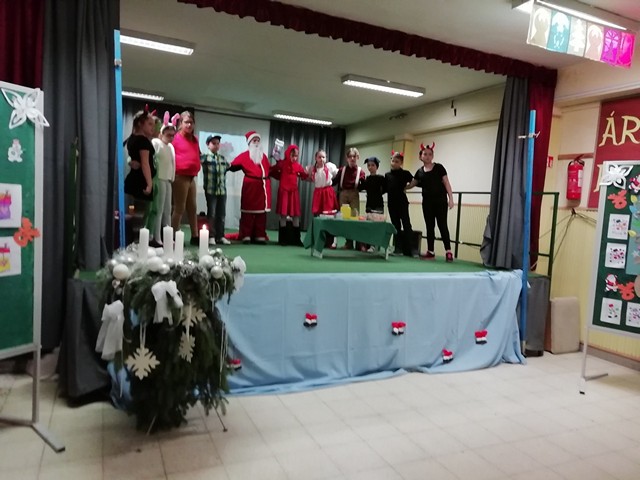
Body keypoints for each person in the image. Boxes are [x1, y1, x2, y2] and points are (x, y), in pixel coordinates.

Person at [408, 142, 455, 262]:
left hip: (440, 201)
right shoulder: (419, 172)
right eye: (425, 154)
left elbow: (446, 182)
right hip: (427, 203)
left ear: (432, 156)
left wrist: (451, 198)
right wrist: (402, 188)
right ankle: (431, 251)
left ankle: (448, 251)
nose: (427, 156)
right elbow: (412, 184)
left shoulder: (439, 167)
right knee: (430, 226)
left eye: (430, 154)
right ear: (421, 156)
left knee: (442, 225)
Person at [228, 131, 272, 244]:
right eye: (254, 140)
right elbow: (232, 165)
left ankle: (259, 235)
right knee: (247, 212)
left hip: (262, 189)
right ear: (249, 143)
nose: (256, 143)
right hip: (250, 188)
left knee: (261, 214)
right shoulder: (244, 156)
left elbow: (269, 170)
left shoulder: (263, 157)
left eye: (258, 140)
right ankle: (246, 235)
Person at [124, 109, 156, 240]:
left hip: (131, 185)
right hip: (140, 186)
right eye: (149, 124)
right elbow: (145, 163)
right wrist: (149, 184)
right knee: (139, 217)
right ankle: (136, 243)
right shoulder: (143, 141)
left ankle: (130, 240)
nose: (152, 127)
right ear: (140, 124)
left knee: (131, 214)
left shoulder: (132, 139)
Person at [270, 144, 309, 246]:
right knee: (283, 215)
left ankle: (297, 239)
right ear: (288, 154)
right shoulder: (282, 164)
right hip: (284, 192)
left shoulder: (297, 165)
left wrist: (306, 172)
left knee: (295, 215)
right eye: (292, 155)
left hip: (293, 193)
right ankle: (282, 239)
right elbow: (272, 170)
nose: (294, 158)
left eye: (296, 156)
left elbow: (304, 175)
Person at [171, 111, 200, 246]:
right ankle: (173, 236)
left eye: (191, 122)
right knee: (179, 208)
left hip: (191, 177)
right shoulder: (175, 138)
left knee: (192, 207)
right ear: (180, 123)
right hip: (180, 176)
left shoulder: (195, 140)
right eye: (186, 122)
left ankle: (195, 235)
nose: (189, 125)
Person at [149, 112, 178, 247]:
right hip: (159, 178)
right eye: (168, 134)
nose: (171, 137)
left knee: (167, 209)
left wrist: (172, 177)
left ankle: (167, 237)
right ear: (162, 133)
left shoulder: (171, 147)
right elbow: (152, 159)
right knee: (159, 209)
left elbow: (173, 163)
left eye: (173, 135)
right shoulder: (156, 143)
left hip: (167, 179)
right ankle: (156, 236)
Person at [385, 151, 417, 257]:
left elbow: (415, 181)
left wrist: (407, 187)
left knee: (406, 224)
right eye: (393, 161)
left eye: (397, 161)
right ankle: (397, 248)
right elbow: (385, 188)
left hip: (402, 202)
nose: (394, 163)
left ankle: (411, 249)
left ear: (401, 163)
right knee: (396, 225)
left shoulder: (405, 173)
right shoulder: (387, 175)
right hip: (391, 203)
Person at [201, 135, 231, 245]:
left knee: (221, 214)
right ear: (208, 145)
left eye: (218, 143)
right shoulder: (204, 158)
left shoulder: (222, 158)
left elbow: (228, 167)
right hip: (211, 191)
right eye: (213, 143)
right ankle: (211, 236)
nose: (216, 145)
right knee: (212, 214)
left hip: (222, 190)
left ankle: (220, 236)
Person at [333, 147, 365, 249]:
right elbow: (334, 181)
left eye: (354, 156)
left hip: (354, 194)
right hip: (343, 194)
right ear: (347, 158)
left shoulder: (360, 171)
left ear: (357, 157)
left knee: (355, 218)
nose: (352, 158)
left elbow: (363, 185)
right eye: (350, 156)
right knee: (345, 219)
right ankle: (349, 243)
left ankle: (359, 243)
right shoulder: (342, 170)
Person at [358, 156, 386, 252]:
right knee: (369, 225)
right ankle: (370, 245)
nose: (370, 167)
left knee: (377, 225)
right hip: (369, 203)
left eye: (372, 165)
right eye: (368, 165)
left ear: (377, 167)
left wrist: (378, 193)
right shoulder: (367, 178)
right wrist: (361, 179)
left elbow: (385, 188)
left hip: (378, 204)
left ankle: (376, 245)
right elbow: (361, 187)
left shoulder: (381, 178)